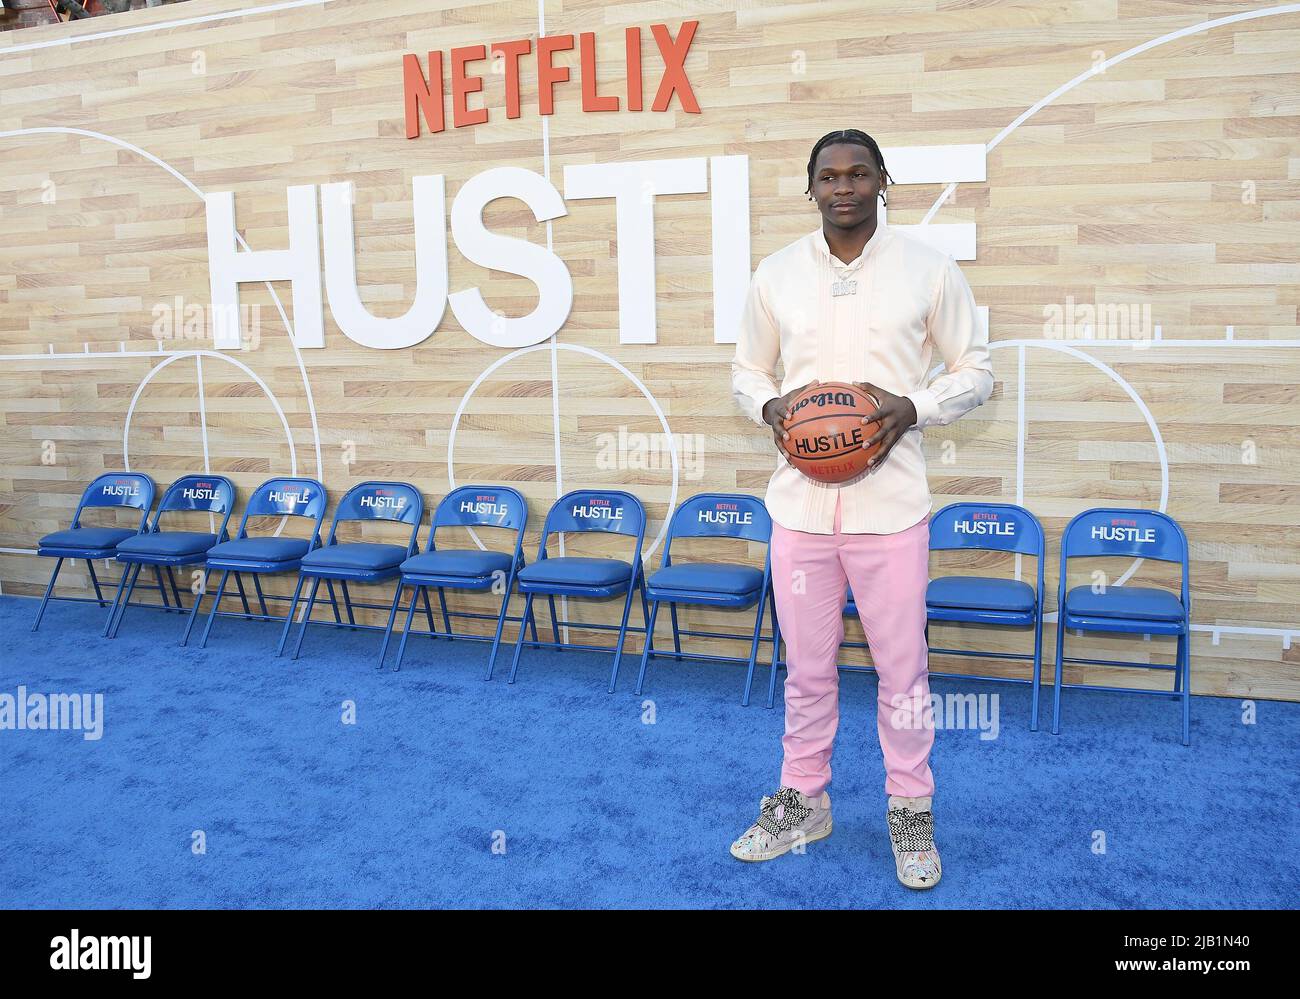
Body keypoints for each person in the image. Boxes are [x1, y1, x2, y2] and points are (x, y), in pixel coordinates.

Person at [728, 128, 994, 888]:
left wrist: (913, 407)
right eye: (827, 175)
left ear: (883, 180)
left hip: (892, 509)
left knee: (902, 674)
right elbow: (746, 369)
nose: (842, 186)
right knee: (807, 673)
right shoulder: (776, 274)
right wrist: (774, 404)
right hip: (800, 513)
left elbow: (975, 368)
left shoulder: (928, 269)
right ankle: (803, 800)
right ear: (809, 188)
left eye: (858, 172)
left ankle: (911, 814)